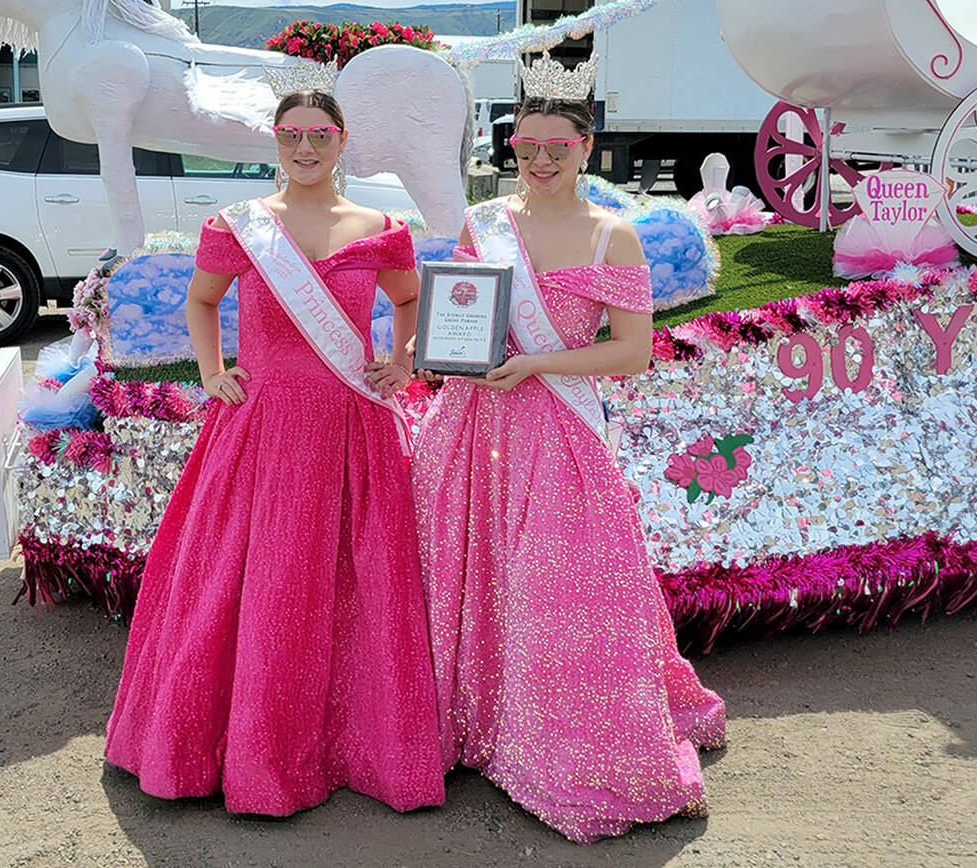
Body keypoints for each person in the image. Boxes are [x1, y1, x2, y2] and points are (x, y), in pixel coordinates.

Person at [104, 85, 445, 816]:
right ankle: (245, 751)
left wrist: (403, 356)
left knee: (351, 582)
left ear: (342, 140)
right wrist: (211, 373)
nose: (305, 148)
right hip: (261, 427)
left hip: (351, 425)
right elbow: (201, 301)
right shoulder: (239, 227)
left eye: (320, 135)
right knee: (254, 581)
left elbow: (411, 300)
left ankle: (353, 744)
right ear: (276, 140)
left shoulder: (381, 227)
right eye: (291, 135)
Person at [412, 54, 726, 843]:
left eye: (558, 146)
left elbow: (631, 353)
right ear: (509, 147)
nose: (541, 159)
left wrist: (538, 363)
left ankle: (559, 744)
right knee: (471, 573)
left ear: (586, 147)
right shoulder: (482, 224)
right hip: (473, 425)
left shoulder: (613, 234)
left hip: (558, 429)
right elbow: (459, 315)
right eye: (527, 146)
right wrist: (445, 353)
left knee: (561, 589)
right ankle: (476, 724)